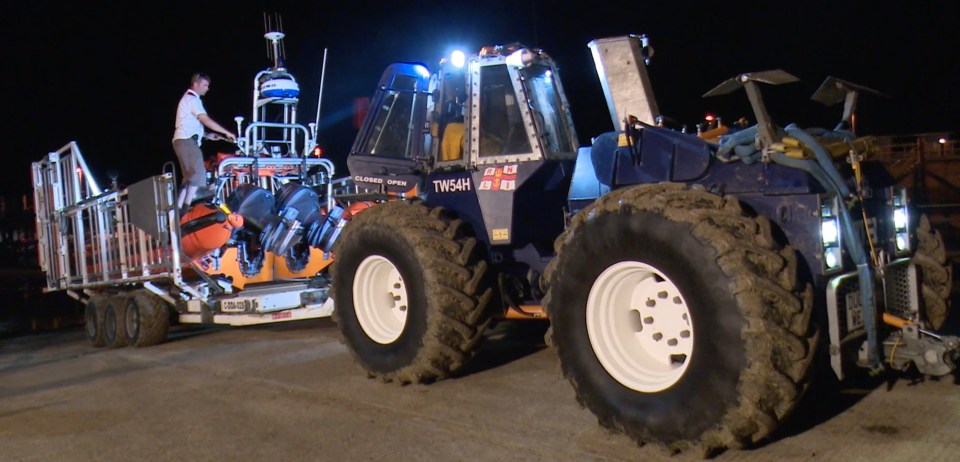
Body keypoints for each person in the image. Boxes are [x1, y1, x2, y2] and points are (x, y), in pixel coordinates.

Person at [172, 72, 236, 211]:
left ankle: (178, 208)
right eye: (205, 85)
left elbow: (191, 124)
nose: (207, 88)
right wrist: (226, 132)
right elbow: (204, 119)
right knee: (198, 173)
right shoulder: (192, 99)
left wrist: (207, 135)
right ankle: (186, 207)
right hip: (186, 141)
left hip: (183, 140)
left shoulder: (189, 99)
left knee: (188, 178)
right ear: (196, 84)